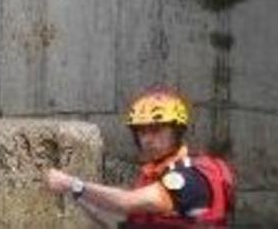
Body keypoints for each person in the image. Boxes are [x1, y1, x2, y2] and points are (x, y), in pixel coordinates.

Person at [45, 86, 234, 225]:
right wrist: (77, 193)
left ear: (177, 132)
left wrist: (72, 184)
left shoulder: (186, 178)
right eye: (142, 132)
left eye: (156, 130)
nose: (147, 140)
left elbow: (126, 202)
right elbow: (122, 211)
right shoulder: (158, 172)